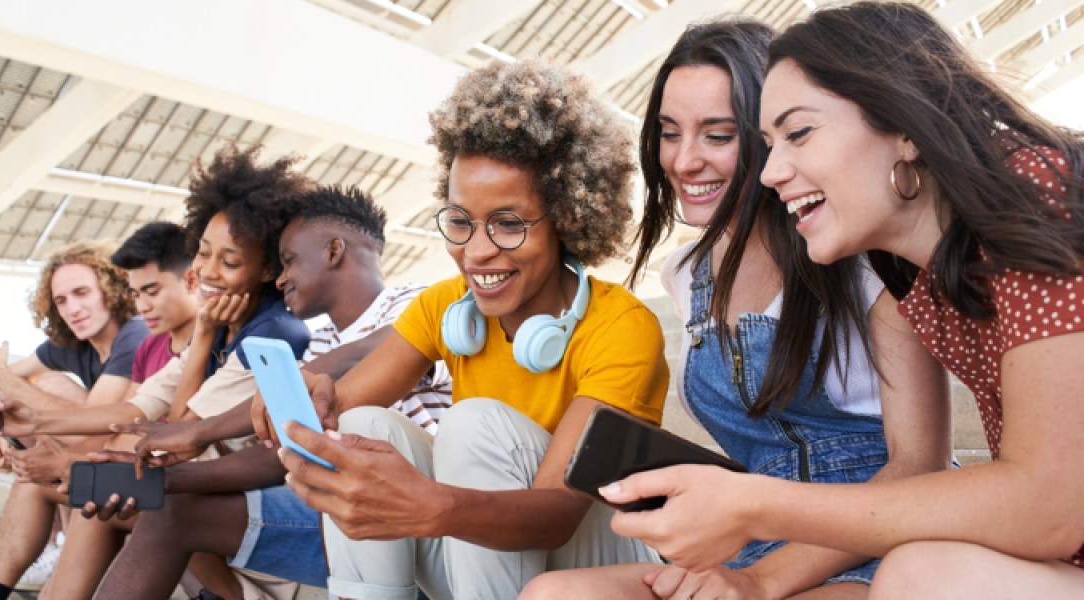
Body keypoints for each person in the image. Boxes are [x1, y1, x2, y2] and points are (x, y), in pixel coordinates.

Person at [594, 3, 1084, 599]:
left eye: (798, 133)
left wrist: (754, 508)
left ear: (905, 126)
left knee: (922, 575)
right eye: (767, 143)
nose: (771, 171)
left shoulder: (1036, 196)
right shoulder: (923, 273)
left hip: (880, 543)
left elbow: (1049, 506)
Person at [520, 19, 950, 600]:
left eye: (717, 135)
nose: (684, 161)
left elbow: (920, 466)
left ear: (771, 136)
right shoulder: (684, 274)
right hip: (753, 539)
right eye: (669, 133)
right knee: (554, 593)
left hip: (877, 543)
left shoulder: (868, 260)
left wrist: (757, 580)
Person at [269, 59, 668, 600]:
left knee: (474, 423)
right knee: (365, 428)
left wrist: (434, 507)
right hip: (484, 560)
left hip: (597, 563)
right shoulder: (446, 306)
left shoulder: (621, 327)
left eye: (508, 223)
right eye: (460, 221)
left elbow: (557, 516)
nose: (477, 252)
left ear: (567, 218)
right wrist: (307, 403)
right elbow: (337, 415)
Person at [85, 184, 453, 600]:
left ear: (334, 251)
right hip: (342, 512)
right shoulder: (318, 343)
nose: (280, 278)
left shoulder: (413, 302)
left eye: (289, 260)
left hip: (419, 518)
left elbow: (369, 354)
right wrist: (162, 478)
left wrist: (202, 430)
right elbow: (280, 452)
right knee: (172, 512)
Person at [0, 145, 314, 600]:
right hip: (206, 507)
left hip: (253, 534)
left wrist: (203, 335)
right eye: (203, 253)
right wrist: (36, 422)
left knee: (115, 491)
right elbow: (138, 407)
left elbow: (181, 433)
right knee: (102, 495)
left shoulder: (272, 335)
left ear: (266, 269)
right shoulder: (225, 324)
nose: (208, 273)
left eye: (230, 261)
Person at [0, 240, 149, 599]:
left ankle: (59, 539)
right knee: (32, 469)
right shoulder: (72, 342)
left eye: (82, 293)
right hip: (96, 462)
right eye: (61, 300)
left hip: (131, 463)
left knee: (47, 385)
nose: (72, 309)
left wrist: (5, 381)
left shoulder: (137, 334)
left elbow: (99, 427)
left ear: (112, 290)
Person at [111, 221, 200, 388]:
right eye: (136, 295)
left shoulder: (222, 345)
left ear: (190, 281)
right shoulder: (148, 348)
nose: (142, 307)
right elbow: (132, 404)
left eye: (152, 292)